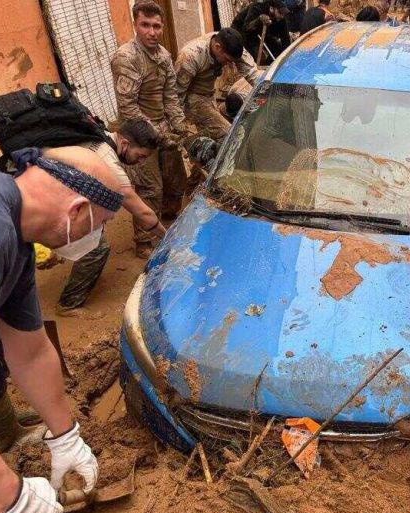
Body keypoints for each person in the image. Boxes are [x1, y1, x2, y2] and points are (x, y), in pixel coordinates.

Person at [0, 146, 124, 513]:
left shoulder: (16, 238)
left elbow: (30, 351)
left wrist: (65, 437)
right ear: (78, 210)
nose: (94, 238)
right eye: (98, 226)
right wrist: (6, 492)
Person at [56, 120, 165, 314]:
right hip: (46, 199)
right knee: (97, 248)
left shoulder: (102, 136)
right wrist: (167, 237)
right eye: (140, 156)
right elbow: (142, 212)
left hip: (52, 187)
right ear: (124, 143)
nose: (141, 162)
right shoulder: (108, 162)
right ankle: (68, 304)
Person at [111, 0, 189, 259]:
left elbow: (171, 98)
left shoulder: (164, 56)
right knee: (149, 189)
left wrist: (181, 129)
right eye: (145, 25)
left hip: (162, 128)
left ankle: (165, 220)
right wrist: (158, 135)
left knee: (176, 178)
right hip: (139, 135)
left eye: (156, 26)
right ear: (135, 25)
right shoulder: (127, 57)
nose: (152, 32)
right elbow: (128, 108)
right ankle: (144, 241)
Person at [175, 28, 259, 141]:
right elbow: (176, 95)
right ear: (217, 47)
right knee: (229, 137)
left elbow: (253, 74)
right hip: (193, 96)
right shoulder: (190, 57)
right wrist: (179, 124)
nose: (229, 65)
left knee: (209, 136)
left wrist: (268, 91)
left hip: (209, 93)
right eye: (228, 60)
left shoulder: (232, 46)